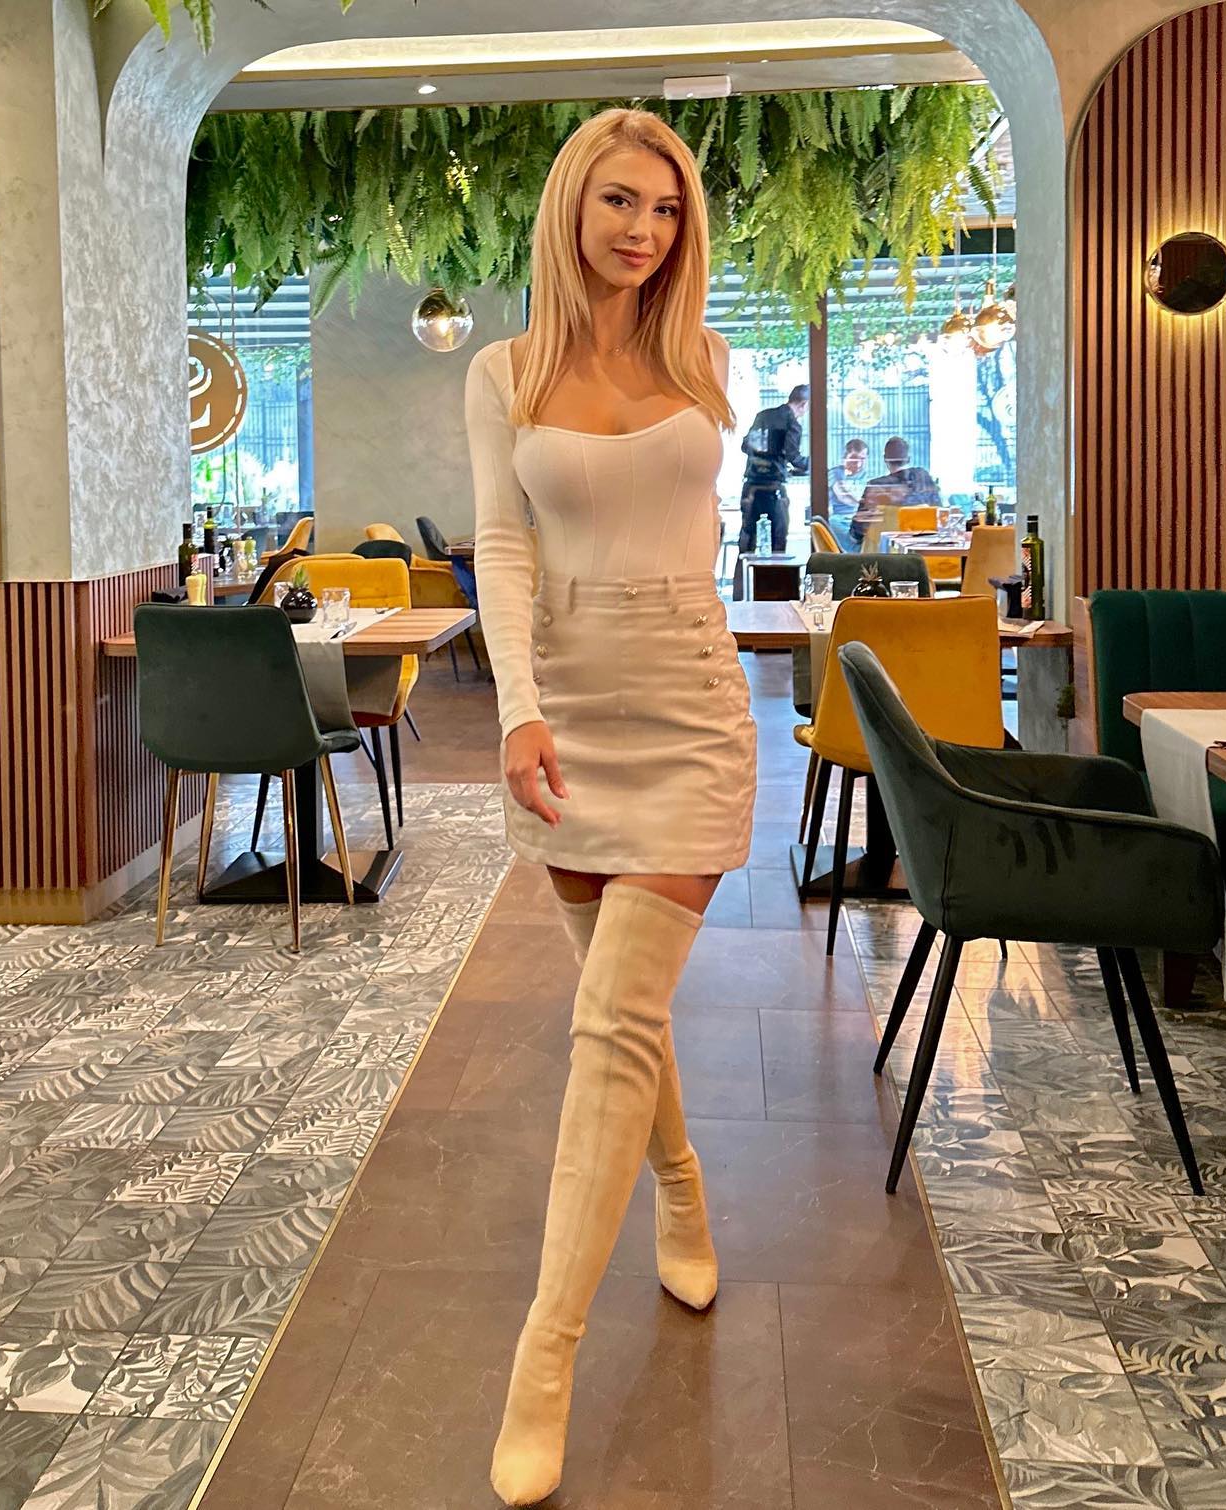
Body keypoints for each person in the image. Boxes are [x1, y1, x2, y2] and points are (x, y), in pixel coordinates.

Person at [465, 108, 756, 1508]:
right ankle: (681, 1181)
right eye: (621, 201)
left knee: (610, 1022)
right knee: (620, 1011)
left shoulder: (707, 358)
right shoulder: (506, 371)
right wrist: (517, 706)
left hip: (689, 697)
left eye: (668, 208)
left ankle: (545, 1358)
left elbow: (698, 530)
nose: (644, 229)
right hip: (568, 707)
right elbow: (502, 543)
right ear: (572, 208)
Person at [738, 382, 809, 553]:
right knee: (777, 540)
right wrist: (812, 464)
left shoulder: (763, 415)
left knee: (748, 535)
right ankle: (773, 571)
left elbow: (745, 446)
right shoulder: (792, 423)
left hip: (750, 487)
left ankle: (743, 570)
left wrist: (764, 457)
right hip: (773, 490)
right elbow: (793, 456)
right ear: (804, 404)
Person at [850, 434, 941, 546]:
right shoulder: (923, 478)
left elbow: (856, 534)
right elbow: (940, 519)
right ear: (908, 459)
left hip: (882, 553)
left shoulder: (875, 487)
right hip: (923, 550)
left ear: (885, 459)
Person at [827, 437, 869, 545]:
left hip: (860, 518)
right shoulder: (835, 473)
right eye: (854, 458)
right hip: (840, 518)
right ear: (845, 457)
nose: (858, 464)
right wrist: (862, 502)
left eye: (862, 459)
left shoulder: (864, 475)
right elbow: (842, 495)